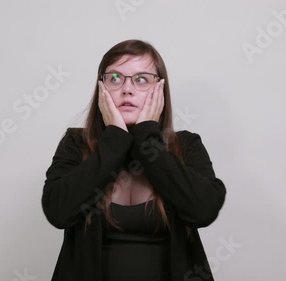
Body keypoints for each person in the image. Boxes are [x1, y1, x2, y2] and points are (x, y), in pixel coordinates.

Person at [42, 39, 226, 281]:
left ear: (160, 90)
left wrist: (147, 138)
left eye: (141, 79)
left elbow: (203, 211)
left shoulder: (186, 145)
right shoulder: (76, 143)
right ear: (102, 89)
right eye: (115, 78)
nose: (127, 89)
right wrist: (115, 139)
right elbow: (58, 212)